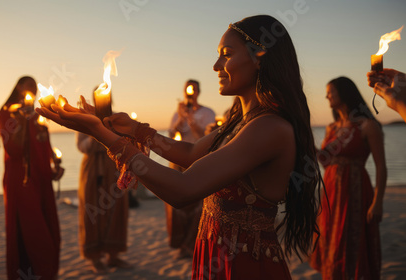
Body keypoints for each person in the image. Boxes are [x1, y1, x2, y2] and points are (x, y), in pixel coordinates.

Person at [37, 15, 323, 280]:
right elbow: (188, 155)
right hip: (215, 256)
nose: (215, 66)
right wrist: (133, 130)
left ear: (260, 57)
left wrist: (100, 133)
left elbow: (184, 189)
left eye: (226, 54)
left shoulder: (269, 128)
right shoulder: (240, 122)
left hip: (245, 266)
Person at [310, 77, 386, 279]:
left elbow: (381, 166)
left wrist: (378, 202)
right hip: (331, 192)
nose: (327, 96)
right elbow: (325, 162)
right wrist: (308, 143)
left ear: (344, 93)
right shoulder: (332, 128)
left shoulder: (367, 126)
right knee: (331, 239)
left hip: (355, 190)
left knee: (352, 239)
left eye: (330, 91)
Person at [0, 76, 61, 280]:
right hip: (21, 180)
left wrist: (53, 167)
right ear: (19, 87)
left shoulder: (37, 114)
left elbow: (43, 145)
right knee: (32, 231)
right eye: (28, 85)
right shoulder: (8, 113)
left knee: (49, 230)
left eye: (35, 86)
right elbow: (13, 150)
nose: (32, 90)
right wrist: (22, 122)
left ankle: (46, 274)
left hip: (42, 179)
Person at [167, 79, 215, 259]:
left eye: (193, 89)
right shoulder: (178, 112)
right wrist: (181, 117)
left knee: (199, 205)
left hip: (198, 159)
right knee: (178, 204)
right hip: (178, 159)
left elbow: (205, 137)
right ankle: (181, 244)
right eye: (188, 89)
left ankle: (193, 243)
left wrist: (191, 120)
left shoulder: (207, 112)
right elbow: (172, 134)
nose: (190, 93)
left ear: (198, 92)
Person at [77, 130, 131, 274]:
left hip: (113, 166)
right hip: (93, 167)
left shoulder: (114, 118)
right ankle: (95, 258)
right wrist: (93, 130)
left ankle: (113, 255)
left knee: (116, 208)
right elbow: (81, 146)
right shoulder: (83, 119)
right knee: (92, 209)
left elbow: (125, 145)